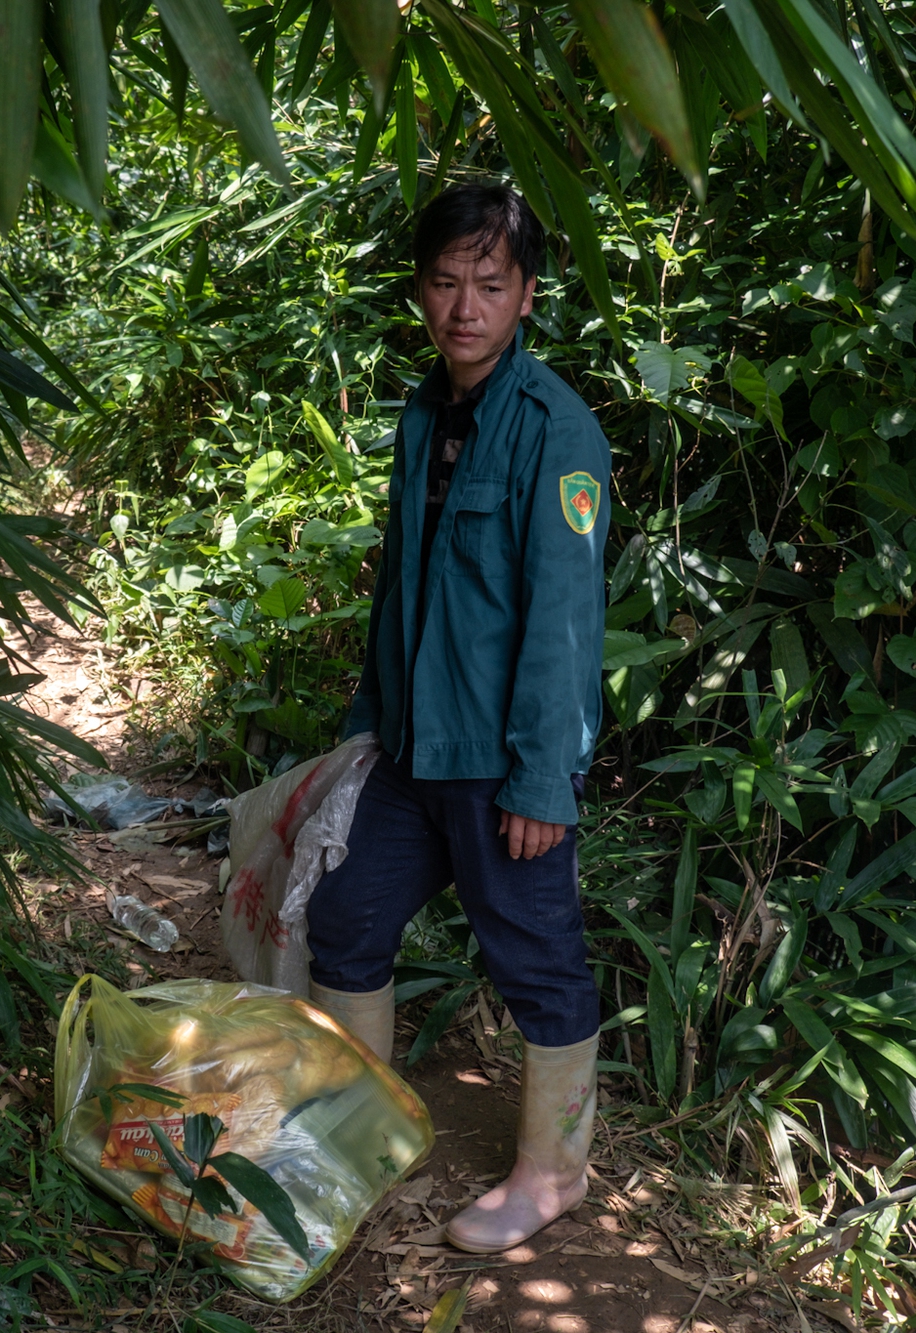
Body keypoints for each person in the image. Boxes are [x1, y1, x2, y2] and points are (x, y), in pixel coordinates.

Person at [304, 182, 610, 1254]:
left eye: (489, 284)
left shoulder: (554, 432)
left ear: (525, 295)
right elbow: (400, 584)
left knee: (535, 959)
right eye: (444, 282)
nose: (463, 307)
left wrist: (540, 779)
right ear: (420, 292)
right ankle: (365, 1133)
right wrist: (361, 728)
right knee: (344, 920)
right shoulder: (422, 413)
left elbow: (563, 621)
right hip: (407, 747)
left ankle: (550, 1171)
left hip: (498, 763)